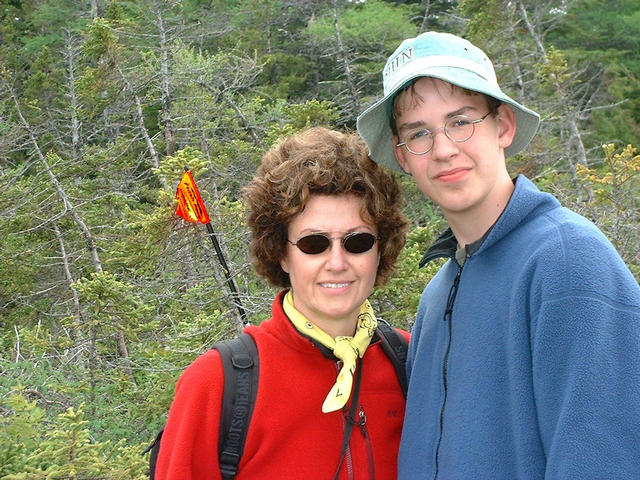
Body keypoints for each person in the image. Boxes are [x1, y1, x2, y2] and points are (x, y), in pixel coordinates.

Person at [357, 31, 640, 479]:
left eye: (460, 121)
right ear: (403, 155)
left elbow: (603, 459)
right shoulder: (437, 293)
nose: (444, 148)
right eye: (419, 133)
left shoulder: (568, 263)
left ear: (503, 125)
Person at [155, 126, 409, 479]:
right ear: (281, 254)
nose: (337, 262)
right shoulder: (216, 385)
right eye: (313, 243)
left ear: (381, 249)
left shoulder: (411, 364)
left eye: (358, 242)